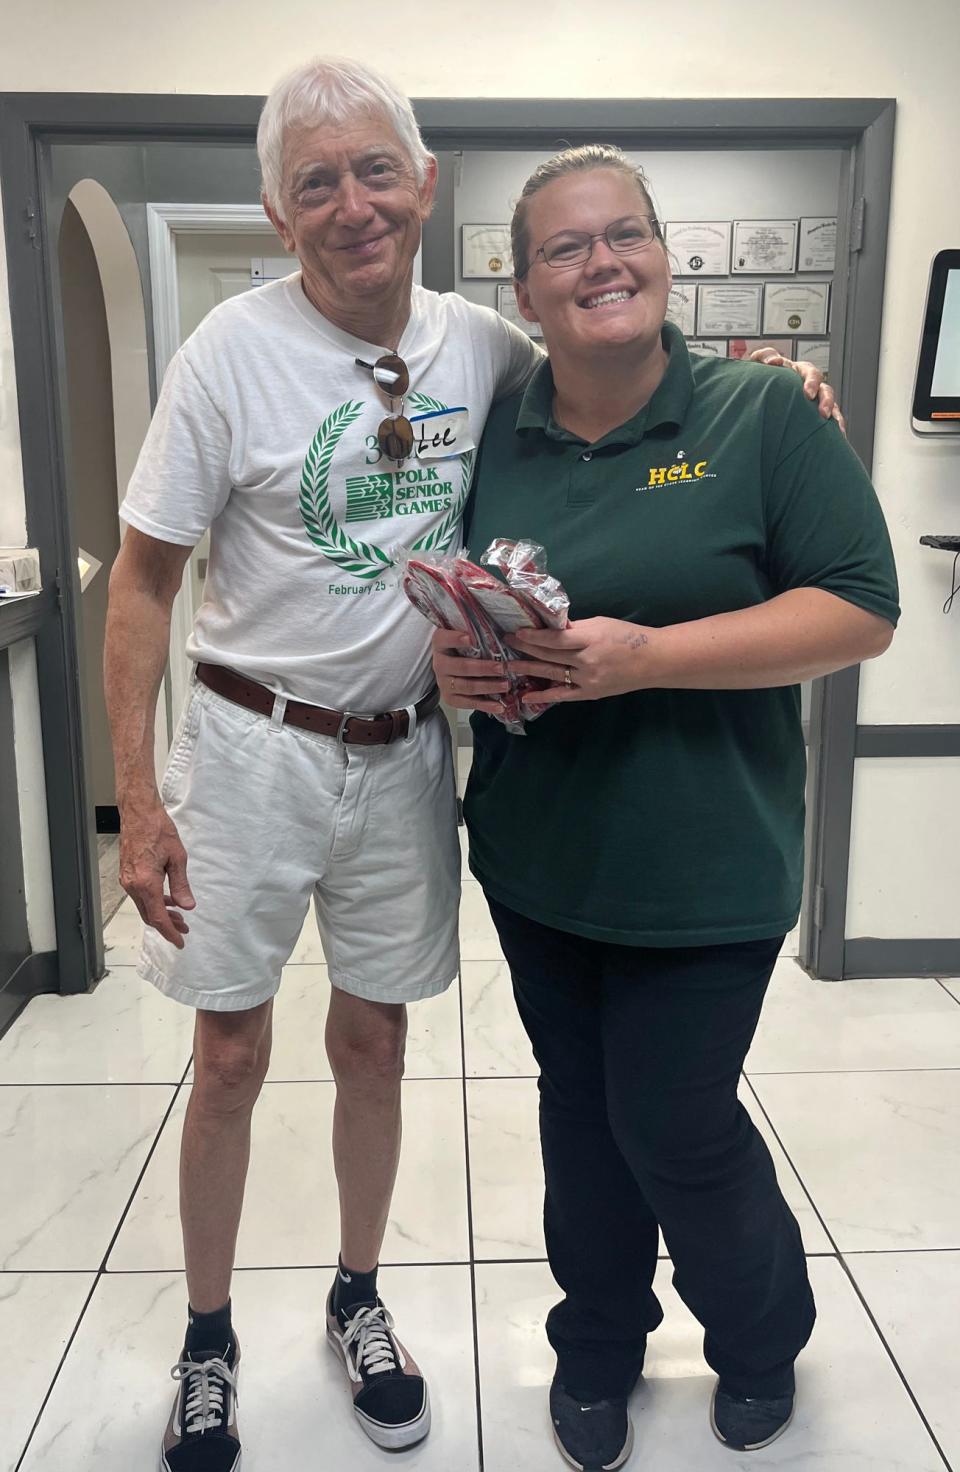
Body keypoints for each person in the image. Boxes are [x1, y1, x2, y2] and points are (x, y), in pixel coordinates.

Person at [103, 56, 840, 1469]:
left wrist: (770, 378)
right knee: (231, 1056)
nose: (352, 203)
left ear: (426, 185)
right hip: (250, 749)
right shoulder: (227, 356)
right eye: (315, 182)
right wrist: (139, 800)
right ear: (279, 210)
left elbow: (616, 372)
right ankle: (208, 1335)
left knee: (375, 1040)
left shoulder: (486, 350)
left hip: (400, 759)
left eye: (376, 169)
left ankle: (359, 1296)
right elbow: (139, 583)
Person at [433, 145, 898, 1471]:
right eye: (567, 247)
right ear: (524, 286)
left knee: (673, 1121)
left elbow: (860, 611)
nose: (603, 263)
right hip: (538, 856)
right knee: (577, 1118)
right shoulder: (497, 436)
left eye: (624, 234)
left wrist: (650, 656)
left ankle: (760, 1338)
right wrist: (459, 661)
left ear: (665, 253)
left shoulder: (766, 416)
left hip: (709, 865)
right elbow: (465, 602)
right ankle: (597, 1347)